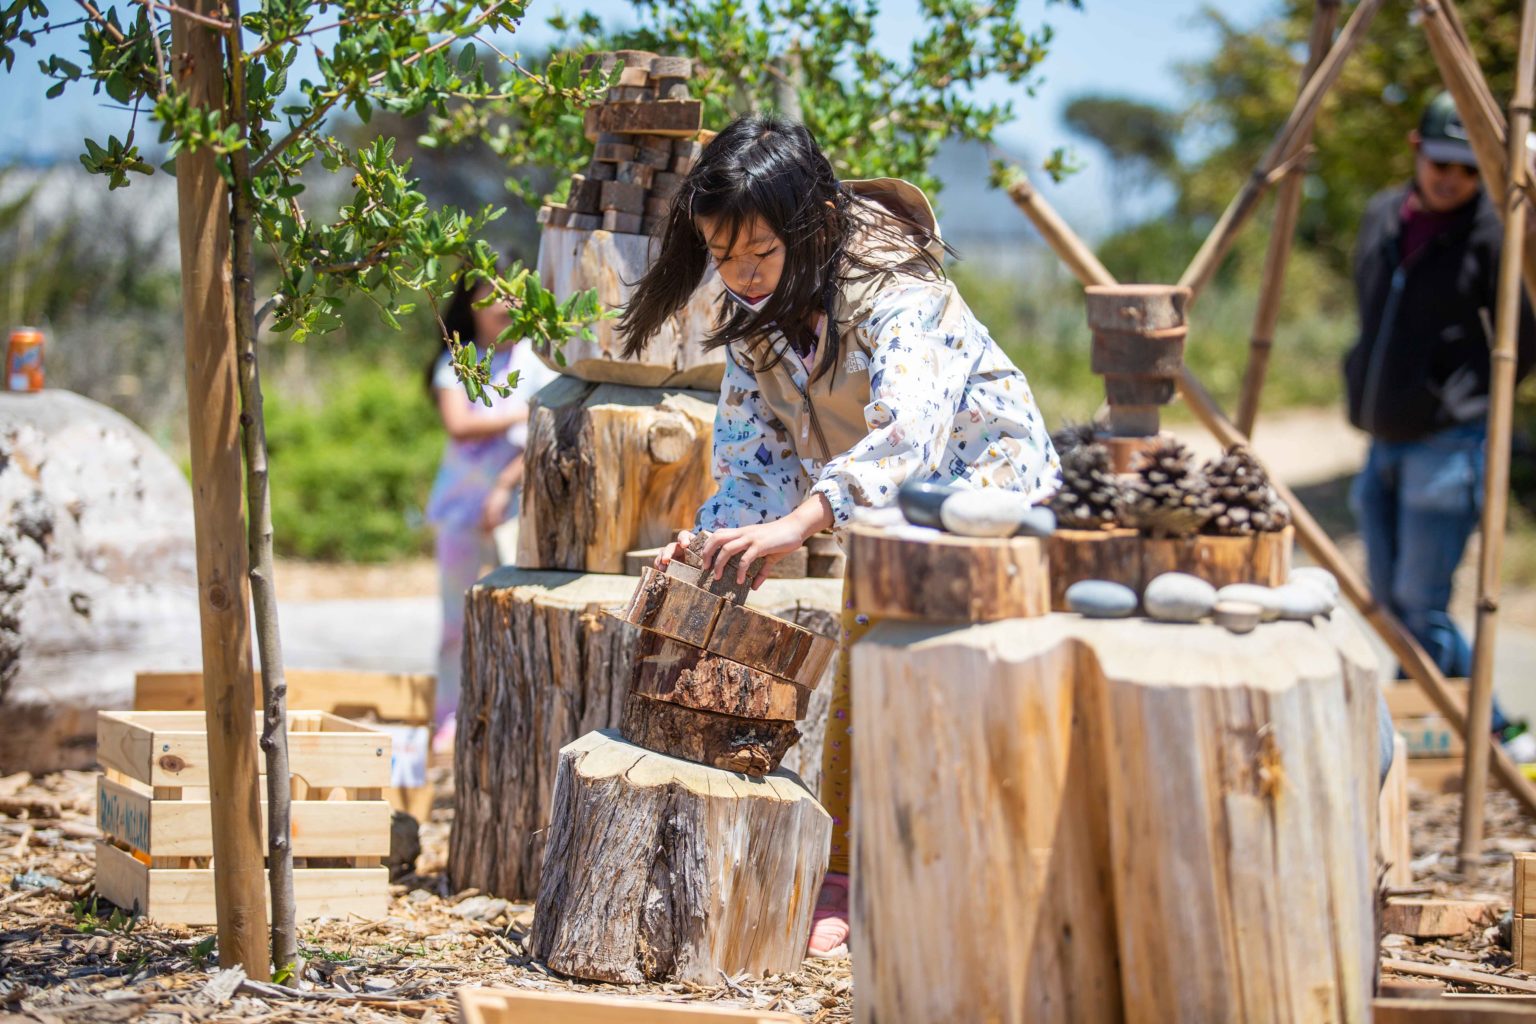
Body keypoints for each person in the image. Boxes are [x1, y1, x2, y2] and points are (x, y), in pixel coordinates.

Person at [619, 114, 1060, 957]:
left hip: (995, 515)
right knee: (864, 694)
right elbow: (753, 465)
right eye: (722, 254)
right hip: (887, 526)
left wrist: (797, 526)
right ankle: (851, 875)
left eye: (761, 251)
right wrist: (712, 542)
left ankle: (994, 876)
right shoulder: (752, 322)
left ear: (813, 223)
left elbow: (908, 437)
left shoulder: (900, 288)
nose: (743, 274)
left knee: (981, 694)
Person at [1346, 91, 1536, 760]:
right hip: (1382, 437)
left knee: (1418, 605)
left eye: (1467, 168)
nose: (1452, 178)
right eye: (1440, 163)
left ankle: (1476, 732)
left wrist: (1465, 396)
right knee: (1388, 604)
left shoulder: (1497, 233)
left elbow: (1523, 337)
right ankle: (1467, 726)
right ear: (1415, 150)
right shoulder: (1381, 216)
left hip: (1450, 444)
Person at [425, 275, 558, 749]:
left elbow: (546, 434)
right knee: (454, 621)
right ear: (470, 305)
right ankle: (449, 717)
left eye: (509, 295)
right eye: (490, 296)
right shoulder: (456, 362)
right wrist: (522, 413)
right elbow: (459, 424)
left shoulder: (537, 363)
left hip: (518, 512)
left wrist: (503, 487)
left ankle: (511, 721)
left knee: (516, 619)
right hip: (459, 510)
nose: (501, 306)